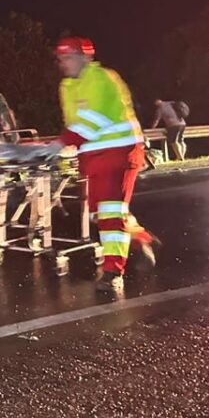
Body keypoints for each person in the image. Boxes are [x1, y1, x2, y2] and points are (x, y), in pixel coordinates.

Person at [44, 37, 158, 293]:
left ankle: (112, 272)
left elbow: (90, 120)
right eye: (61, 58)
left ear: (86, 57)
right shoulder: (66, 87)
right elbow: (74, 124)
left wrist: (59, 144)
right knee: (100, 214)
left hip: (120, 153)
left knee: (110, 212)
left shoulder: (103, 78)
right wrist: (66, 148)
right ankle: (139, 238)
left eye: (69, 57)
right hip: (93, 157)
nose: (64, 63)